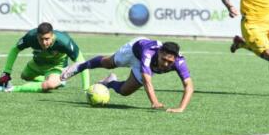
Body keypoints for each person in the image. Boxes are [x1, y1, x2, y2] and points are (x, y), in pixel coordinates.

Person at [61, 37, 194, 113]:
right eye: (163, 59)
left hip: (141, 63)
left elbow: (189, 86)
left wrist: (181, 108)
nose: (165, 64)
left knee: (125, 91)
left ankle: (110, 82)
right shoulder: (148, 54)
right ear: (159, 53)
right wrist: (155, 102)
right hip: (133, 51)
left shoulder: (180, 62)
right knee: (109, 63)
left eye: (169, 62)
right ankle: (80, 66)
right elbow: (147, 81)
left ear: (175, 59)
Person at [0, 22, 90, 93]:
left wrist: (86, 89)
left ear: (52, 35)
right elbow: (14, 49)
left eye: (47, 39)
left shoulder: (64, 42)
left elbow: (82, 63)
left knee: (49, 85)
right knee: (25, 76)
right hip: (37, 63)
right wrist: (6, 72)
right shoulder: (30, 37)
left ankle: (11, 89)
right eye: (41, 39)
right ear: (37, 36)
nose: (43, 42)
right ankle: (57, 81)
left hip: (56, 66)